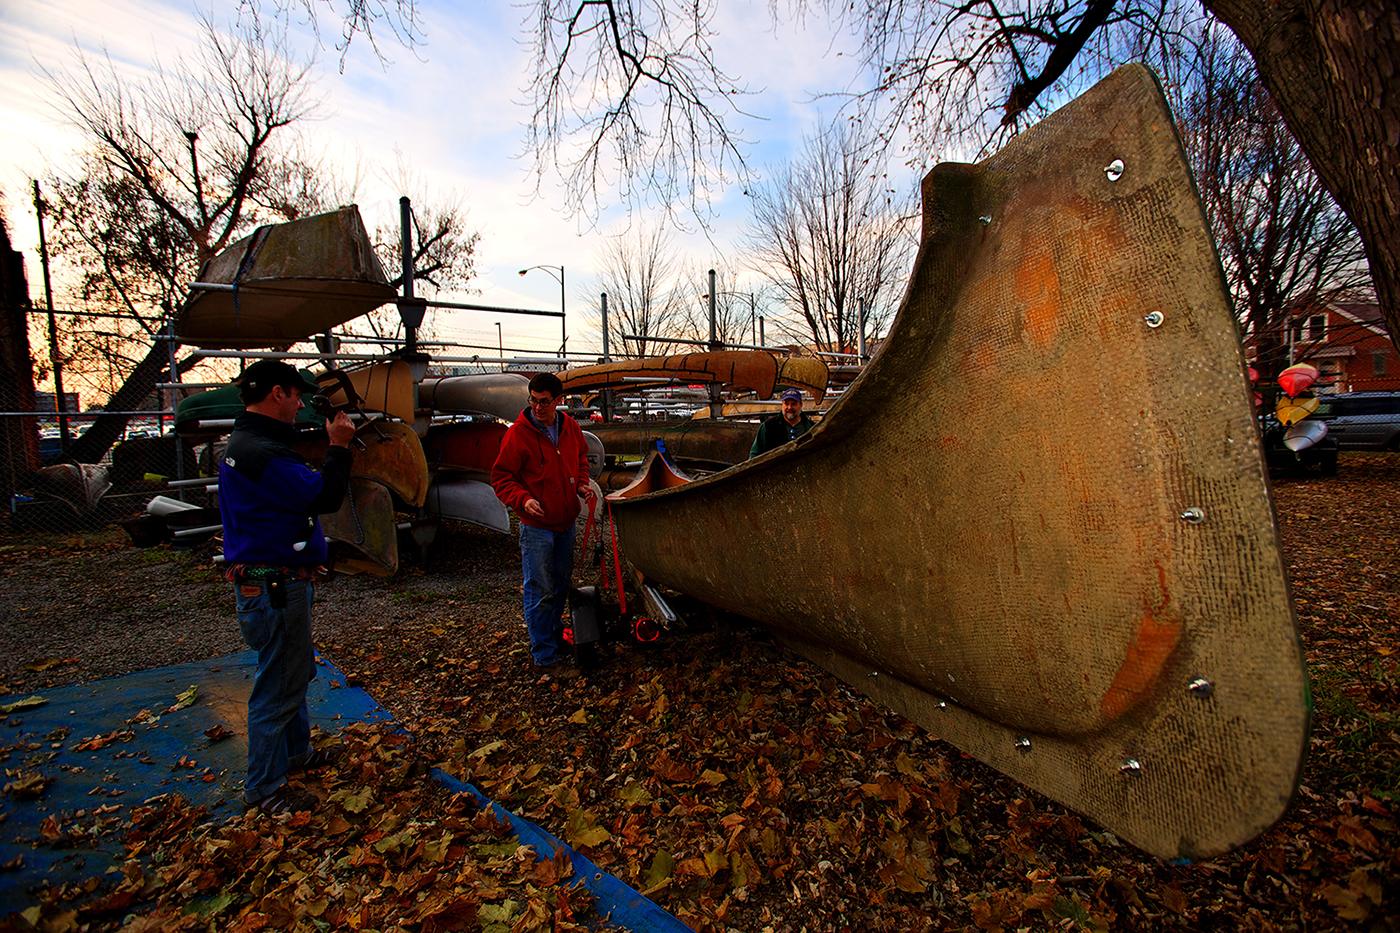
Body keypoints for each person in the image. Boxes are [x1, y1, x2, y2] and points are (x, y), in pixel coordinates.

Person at [218, 359, 356, 815]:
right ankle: (264, 788)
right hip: (274, 586)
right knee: (278, 682)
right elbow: (323, 496)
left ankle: (296, 753)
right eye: (295, 395)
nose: (300, 404)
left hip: (275, 583)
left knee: (292, 671)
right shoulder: (263, 453)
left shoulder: (251, 443)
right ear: (277, 393)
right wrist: (338, 447)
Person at [491, 372, 597, 677]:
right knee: (539, 588)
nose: (538, 407)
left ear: (558, 401)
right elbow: (501, 477)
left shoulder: (570, 428)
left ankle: (551, 639)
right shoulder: (518, 434)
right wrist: (523, 499)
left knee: (560, 584)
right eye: (533, 401)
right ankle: (544, 658)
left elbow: (581, 458)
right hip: (536, 525)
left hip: (564, 520)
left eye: (545, 402)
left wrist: (581, 483)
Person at [750, 387, 815, 457]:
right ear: (782, 405)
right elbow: (754, 455)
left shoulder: (812, 428)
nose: (789, 407)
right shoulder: (768, 427)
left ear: (801, 405)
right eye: (786, 404)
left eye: (793, 404)